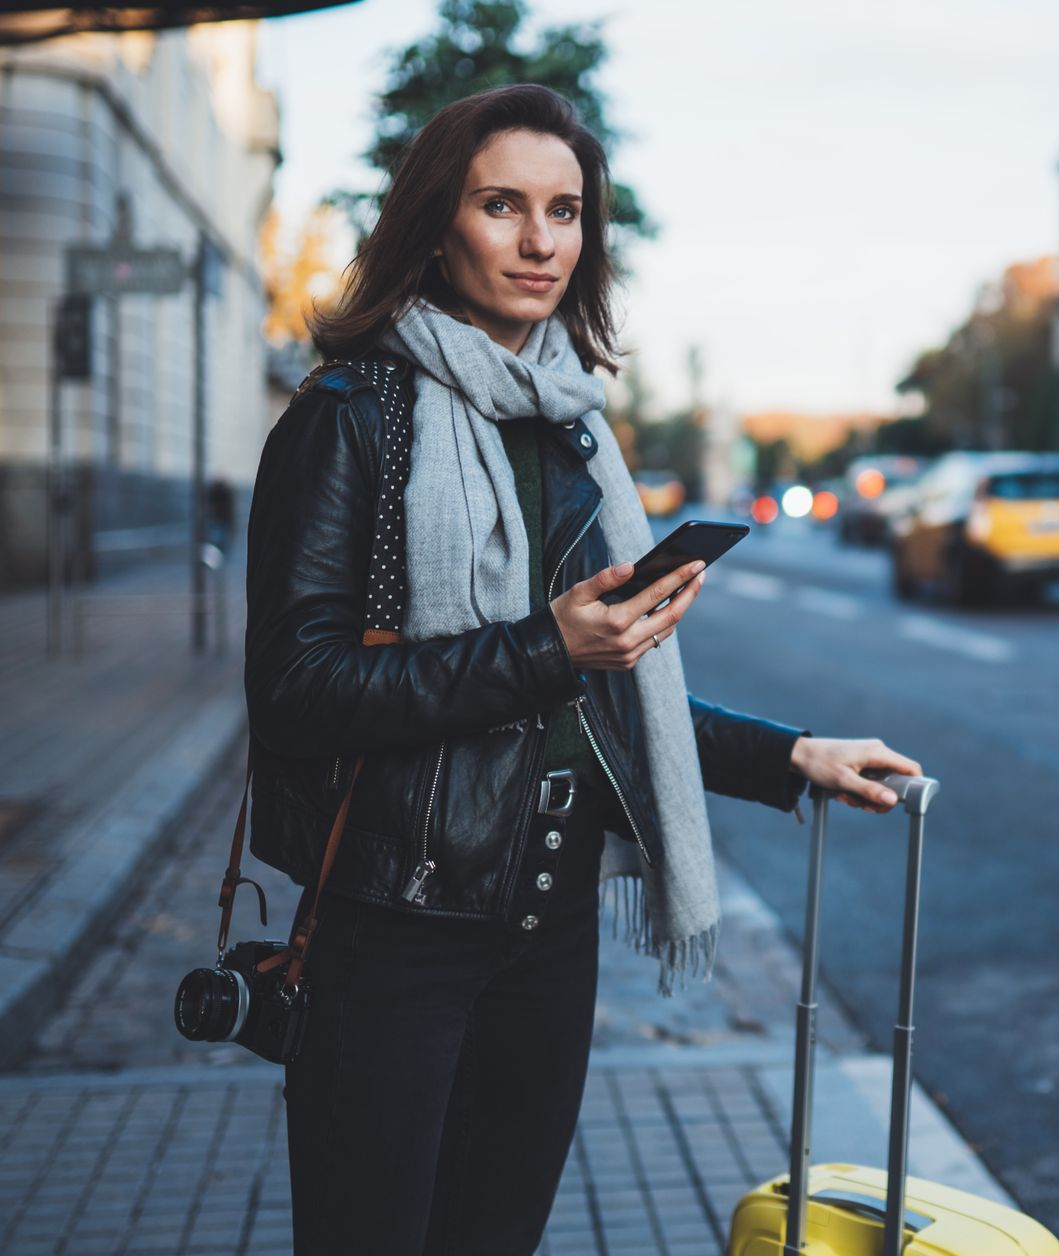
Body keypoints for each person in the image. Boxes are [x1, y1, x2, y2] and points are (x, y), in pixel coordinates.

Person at [243, 83, 921, 1256]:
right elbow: (297, 692)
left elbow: (611, 699)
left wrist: (791, 755)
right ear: (435, 222)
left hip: (545, 931)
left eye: (564, 211)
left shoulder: (573, 431)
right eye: (500, 204)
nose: (539, 239)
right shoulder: (350, 418)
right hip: (394, 925)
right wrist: (547, 644)